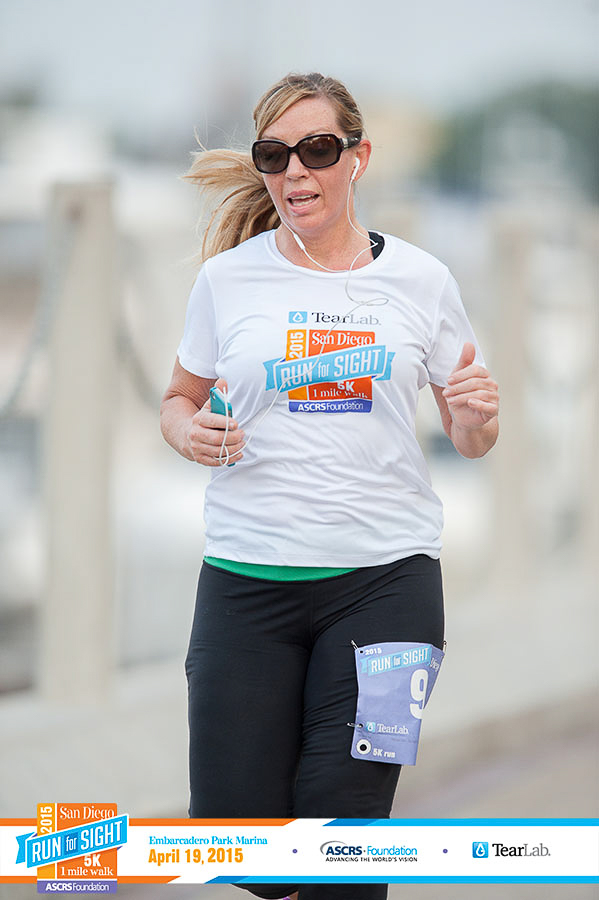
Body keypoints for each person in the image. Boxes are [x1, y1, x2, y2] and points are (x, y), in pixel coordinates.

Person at [160, 72, 499, 900]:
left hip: (387, 586)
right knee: (238, 845)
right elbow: (177, 399)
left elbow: (471, 437)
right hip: (247, 582)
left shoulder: (422, 280)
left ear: (357, 157)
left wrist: (474, 417)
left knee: (344, 836)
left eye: (316, 150)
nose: (295, 172)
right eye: (274, 155)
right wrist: (188, 431)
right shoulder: (227, 280)